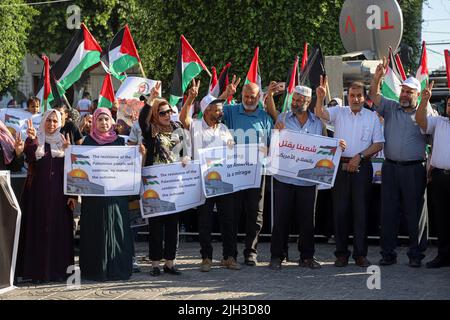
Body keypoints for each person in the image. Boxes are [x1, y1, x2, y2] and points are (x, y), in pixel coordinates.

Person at [316, 77, 384, 268]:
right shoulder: (340, 112)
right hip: (340, 167)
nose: (355, 99)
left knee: (361, 212)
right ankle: (341, 254)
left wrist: (360, 156)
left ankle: (360, 254)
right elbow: (319, 112)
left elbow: (378, 143)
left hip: (362, 167)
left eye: (359, 96)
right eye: (352, 95)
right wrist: (320, 97)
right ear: (347, 97)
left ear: (364, 98)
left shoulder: (371, 116)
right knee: (340, 212)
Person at [370, 57, 430, 268]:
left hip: (414, 169)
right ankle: (388, 254)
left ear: (417, 94)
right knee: (388, 212)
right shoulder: (391, 107)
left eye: (408, 92)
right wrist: (376, 78)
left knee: (415, 214)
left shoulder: (425, 112)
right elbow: (373, 96)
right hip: (390, 167)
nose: (404, 95)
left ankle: (416, 255)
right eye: (403, 91)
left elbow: (431, 135)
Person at [179, 80, 240, 272]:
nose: (220, 112)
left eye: (221, 109)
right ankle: (206, 257)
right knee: (205, 222)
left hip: (224, 183)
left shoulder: (223, 129)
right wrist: (190, 99)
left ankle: (229, 257)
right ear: (207, 111)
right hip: (203, 183)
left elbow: (232, 150)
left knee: (228, 221)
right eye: (217, 110)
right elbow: (183, 118)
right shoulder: (195, 126)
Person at [217, 78, 275, 266]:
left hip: (257, 173)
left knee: (255, 214)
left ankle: (251, 252)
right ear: (241, 95)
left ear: (259, 97)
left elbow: (271, 144)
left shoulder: (266, 118)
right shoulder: (231, 110)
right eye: (246, 96)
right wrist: (224, 96)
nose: (249, 100)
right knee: (231, 214)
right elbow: (210, 112)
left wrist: (268, 149)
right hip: (233, 171)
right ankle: (230, 254)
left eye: (253, 97)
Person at [17, 110, 73, 283]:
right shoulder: (35, 140)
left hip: (60, 198)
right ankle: (37, 272)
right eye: (48, 120)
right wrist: (27, 144)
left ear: (60, 123)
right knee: (38, 231)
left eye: (55, 121)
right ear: (43, 121)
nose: (51, 124)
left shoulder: (64, 143)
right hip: (37, 197)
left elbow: (72, 171)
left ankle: (57, 271)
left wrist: (73, 195)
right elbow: (28, 159)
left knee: (58, 232)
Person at [79, 108, 135, 281]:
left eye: (106, 119)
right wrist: (69, 152)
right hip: (94, 198)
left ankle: (118, 268)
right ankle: (95, 270)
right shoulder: (86, 142)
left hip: (116, 197)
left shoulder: (120, 143)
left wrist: (139, 154)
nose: (103, 123)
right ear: (94, 122)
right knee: (96, 230)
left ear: (112, 122)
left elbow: (128, 166)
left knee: (117, 229)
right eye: (100, 120)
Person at [139, 86, 185, 277]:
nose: (167, 115)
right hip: (155, 185)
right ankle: (155, 264)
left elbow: (184, 151)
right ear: (156, 114)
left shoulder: (177, 129)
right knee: (156, 225)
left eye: (169, 111)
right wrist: (150, 100)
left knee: (173, 225)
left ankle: (170, 262)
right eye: (163, 112)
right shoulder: (151, 130)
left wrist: (186, 159)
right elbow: (142, 120)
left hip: (173, 184)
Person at [416, 90, 450, 268]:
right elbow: (421, 121)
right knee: (442, 218)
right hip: (439, 177)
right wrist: (424, 100)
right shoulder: (439, 122)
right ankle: (443, 256)